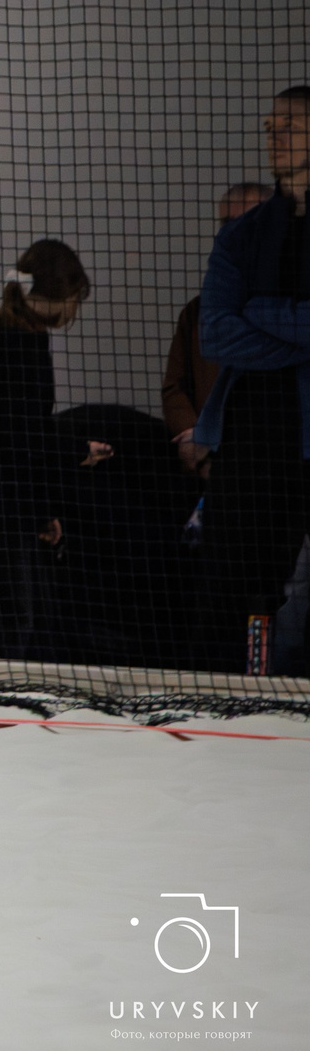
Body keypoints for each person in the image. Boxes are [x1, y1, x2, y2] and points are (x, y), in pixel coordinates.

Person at [0, 239, 113, 660]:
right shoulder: (21, 343)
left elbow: (18, 434)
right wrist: (77, 452)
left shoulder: (10, 332)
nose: (73, 310)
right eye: (74, 300)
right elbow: (22, 437)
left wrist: (40, 511)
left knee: (4, 629)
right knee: (5, 632)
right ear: (60, 295)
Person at [193, 85, 310, 674]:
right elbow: (215, 334)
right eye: (270, 126)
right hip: (250, 442)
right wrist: (298, 332)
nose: (275, 136)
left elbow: (238, 320)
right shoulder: (242, 234)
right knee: (236, 584)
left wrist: (258, 310)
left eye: (289, 124)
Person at [164, 182, 275, 472]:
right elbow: (174, 387)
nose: (234, 232)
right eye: (227, 222)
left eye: (246, 221)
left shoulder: (292, 311)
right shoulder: (197, 312)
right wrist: (197, 445)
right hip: (211, 465)